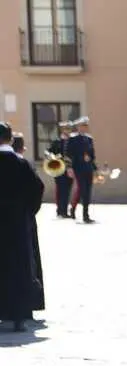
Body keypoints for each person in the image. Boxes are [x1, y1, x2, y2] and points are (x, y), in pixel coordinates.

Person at [0, 122, 44, 332]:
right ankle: (18, 316)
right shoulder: (21, 163)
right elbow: (37, 188)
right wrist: (27, 213)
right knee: (18, 267)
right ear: (10, 138)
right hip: (17, 225)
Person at [65, 116, 96, 223]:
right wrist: (69, 168)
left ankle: (74, 209)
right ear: (78, 127)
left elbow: (92, 155)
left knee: (87, 191)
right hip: (78, 168)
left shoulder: (89, 139)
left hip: (88, 169)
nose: (84, 128)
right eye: (82, 125)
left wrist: (94, 166)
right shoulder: (73, 138)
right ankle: (85, 215)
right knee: (83, 190)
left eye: (86, 126)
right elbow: (68, 154)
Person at [47, 121, 74, 218]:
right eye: (65, 128)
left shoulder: (72, 141)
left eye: (68, 129)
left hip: (69, 169)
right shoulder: (56, 141)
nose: (67, 131)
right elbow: (48, 152)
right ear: (62, 130)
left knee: (67, 190)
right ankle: (59, 211)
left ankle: (65, 211)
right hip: (58, 169)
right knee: (60, 190)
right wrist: (53, 156)